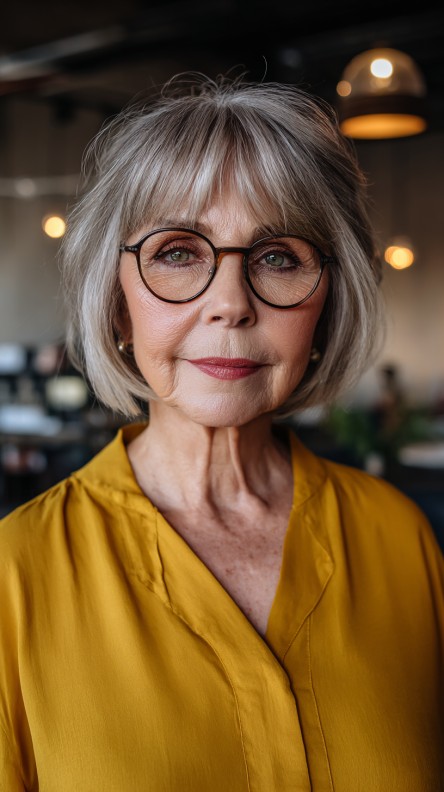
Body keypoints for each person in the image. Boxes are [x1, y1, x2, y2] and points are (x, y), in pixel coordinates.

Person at [0, 74, 442, 792]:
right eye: (178, 252)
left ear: (325, 306)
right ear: (117, 306)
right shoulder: (14, 576)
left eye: (278, 257)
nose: (231, 305)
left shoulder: (401, 540)